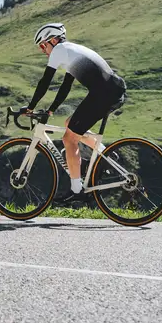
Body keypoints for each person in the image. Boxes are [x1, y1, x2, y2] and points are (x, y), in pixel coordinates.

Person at [21, 22, 126, 201]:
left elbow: (45, 81)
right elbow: (65, 87)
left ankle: (77, 191)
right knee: (70, 124)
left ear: (53, 40)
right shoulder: (71, 51)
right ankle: (105, 155)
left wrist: (30, 107)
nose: (43, 51)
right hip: (112, 89)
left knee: (69, 139)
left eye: (43, 45)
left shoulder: (59, 50)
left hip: (104, 93)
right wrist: (51, 110)